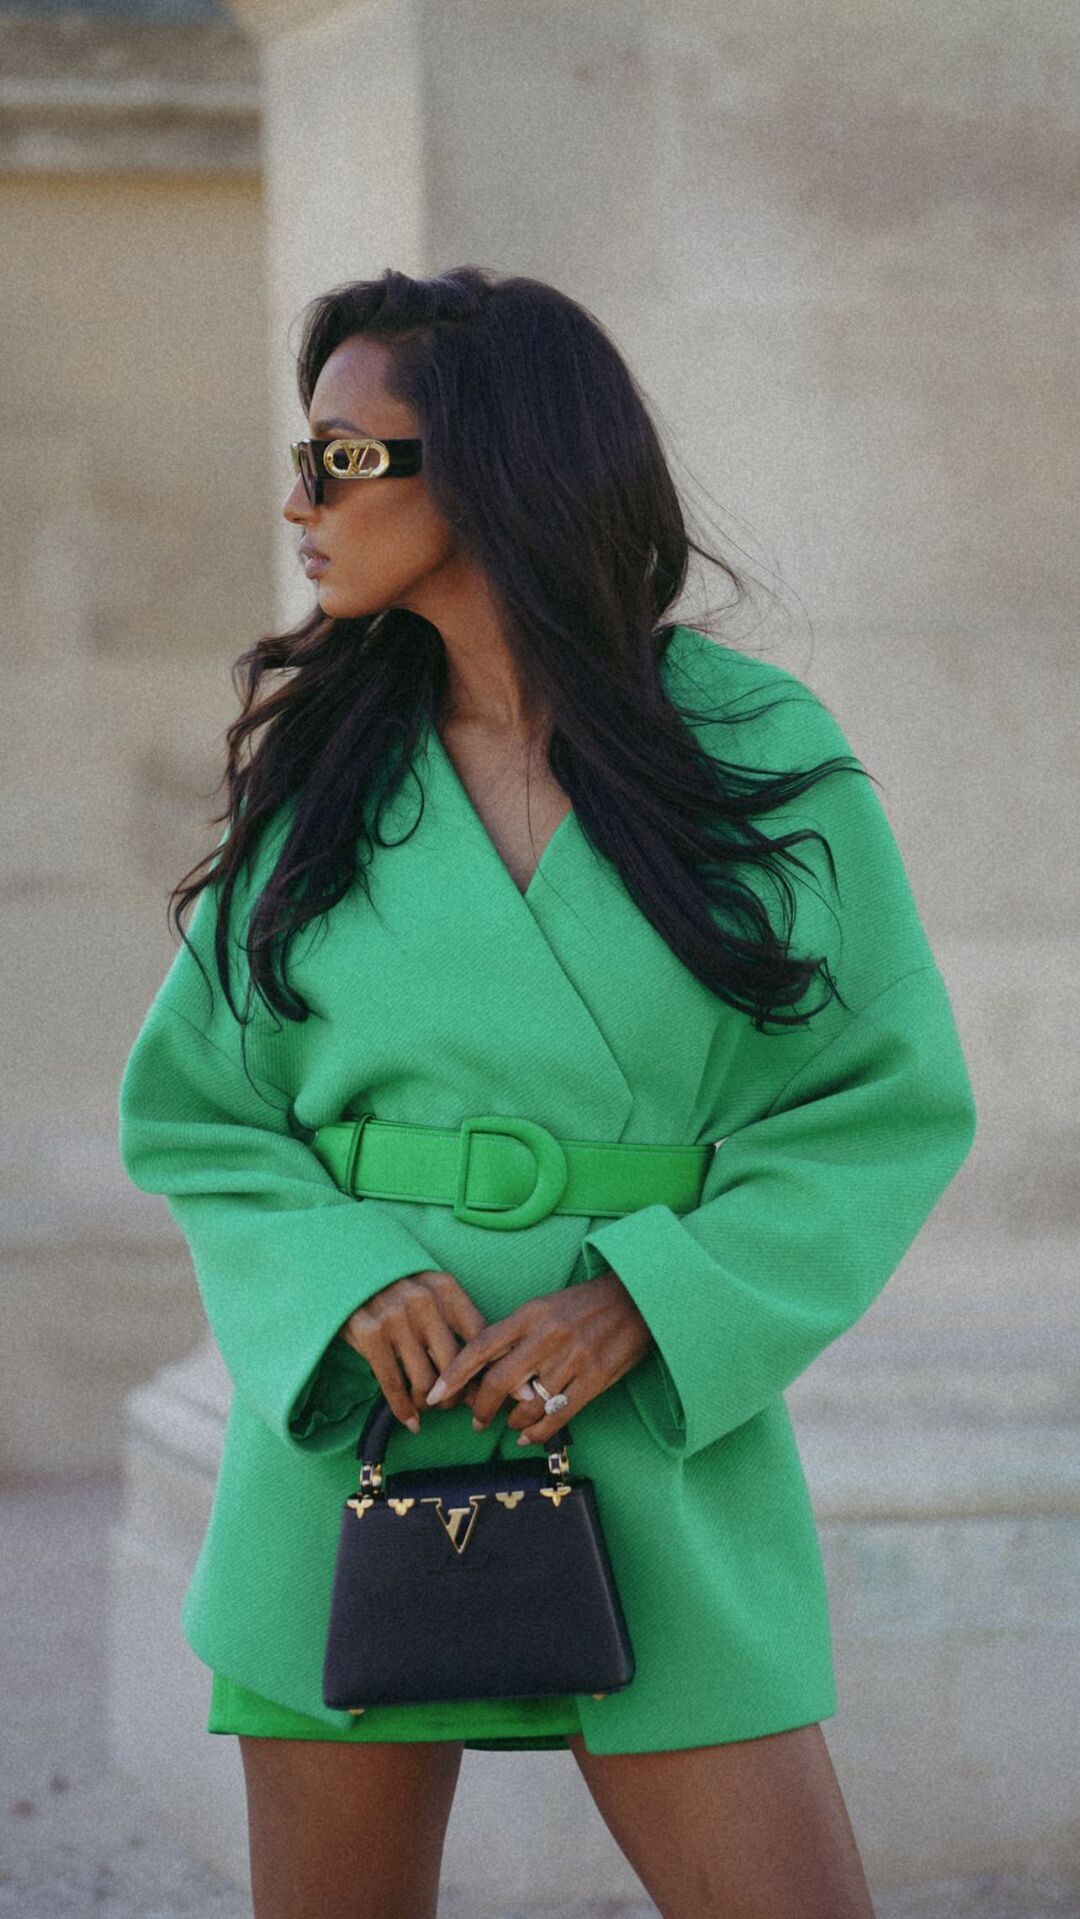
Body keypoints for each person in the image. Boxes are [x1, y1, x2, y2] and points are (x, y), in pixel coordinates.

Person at [117, 264, 977, 1919]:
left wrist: (656, 1300)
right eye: (304, 457)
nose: (300, 504)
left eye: (343, 459)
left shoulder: (750, 747)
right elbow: (200, 1112)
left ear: (495, 467)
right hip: (361, 1427)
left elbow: (882, 1105)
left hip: (646, 1421)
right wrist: (341, 1276)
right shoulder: (324, 770)